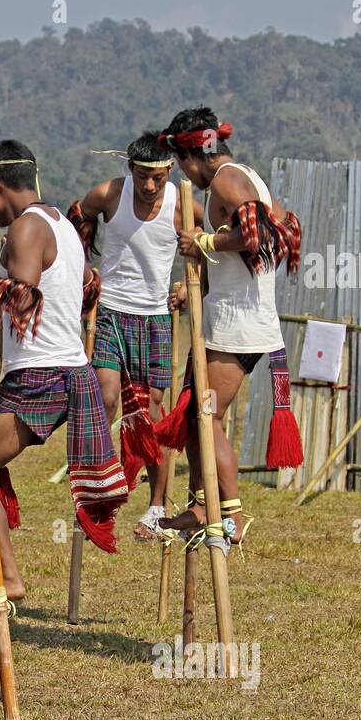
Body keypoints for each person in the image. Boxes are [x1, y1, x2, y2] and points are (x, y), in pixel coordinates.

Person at [0, 140, 129, 603]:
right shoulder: (61, 223)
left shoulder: (26, 228)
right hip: (57, 370)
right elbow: (83, 286)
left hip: (43, 374)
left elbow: (25, 300)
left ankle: (4, 573)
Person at [154, 108, 303, 544]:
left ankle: (230, 513)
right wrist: (197, 286)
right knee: (193, 411)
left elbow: (266, 238)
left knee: (205, 414)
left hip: (237, 326)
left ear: (190, 155)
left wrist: (204, 240)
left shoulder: (225, 179)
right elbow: (250, 250)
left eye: (180, 163)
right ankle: (201, 505)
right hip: (241, 319)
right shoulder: (248, 175)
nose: (184, 173)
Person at [68, 130, 181, 539]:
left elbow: (210, 245)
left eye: (157, 177)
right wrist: (84, 274)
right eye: (141, 176)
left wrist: (189, 286)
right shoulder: (107, 195)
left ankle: (156, 507)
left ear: (169, 170)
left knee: (153, 411)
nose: (149, 186)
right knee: (107, 395)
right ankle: (100, 489)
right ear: (130, 168)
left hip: (156, 318)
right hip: (112, 311)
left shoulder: (183, 204)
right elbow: (74, 222)